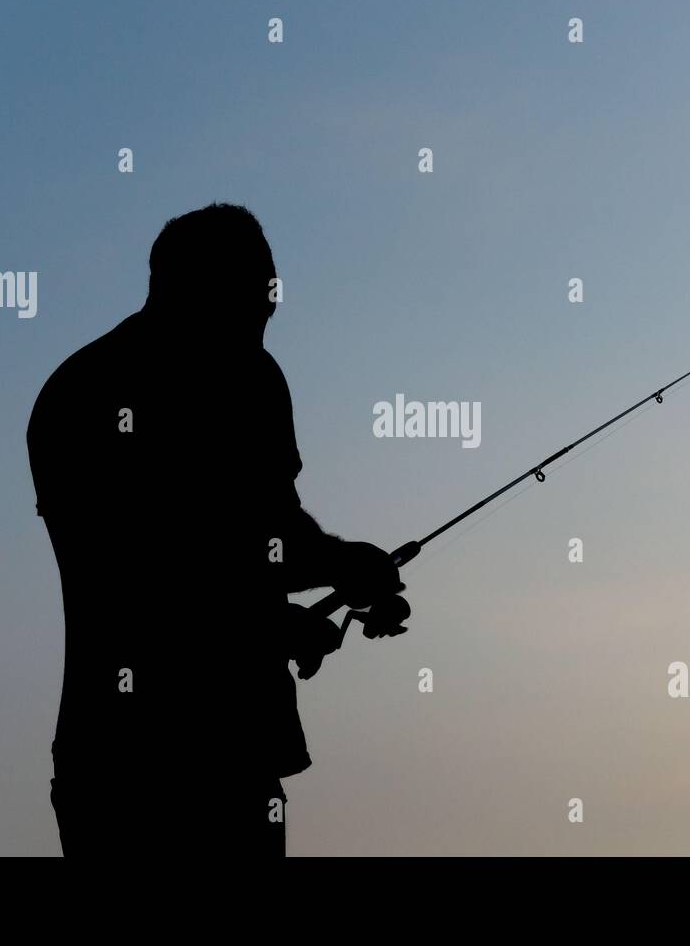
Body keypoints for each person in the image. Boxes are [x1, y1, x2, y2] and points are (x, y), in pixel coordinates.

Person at [26, 203, 409, 858]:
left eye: (268, 307)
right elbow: (155, 564)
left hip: (147, 755)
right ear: (197, 291)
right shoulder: (109, 396)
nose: (263, 323)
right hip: (164, 764)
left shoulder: (77, 388)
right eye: (252, 305)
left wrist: (305, 596)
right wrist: (328, 578)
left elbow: (247, 540)